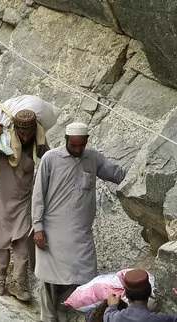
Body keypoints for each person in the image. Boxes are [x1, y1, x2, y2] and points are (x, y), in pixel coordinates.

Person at [32, 122, 127, 322]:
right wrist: (38, 227)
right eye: (73, 145)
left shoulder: (92, 157)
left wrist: (136, 179)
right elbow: (38, 195)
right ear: (65, 140)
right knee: (50, 278)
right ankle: (48, 317)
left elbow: (116, 174)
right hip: (52, 229)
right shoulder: (50, 159)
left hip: (81, 232)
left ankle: (63, 307)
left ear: (86, 141)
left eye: (80, 146)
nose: (76, 150)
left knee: (84, 275)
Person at [0, 109, 49, 301]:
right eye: (22, 133)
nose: (26, 136)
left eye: (29, 133)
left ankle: (19, 282)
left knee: (21, 241)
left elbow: (49, 162)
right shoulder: (3, 141)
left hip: (23, 199)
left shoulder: (39, 142)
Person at [104, 269, 177, 321]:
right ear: (150, 291)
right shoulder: (161, 319)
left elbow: (107, 315)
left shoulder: (115, 318)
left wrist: (112, 306)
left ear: (126, 294)